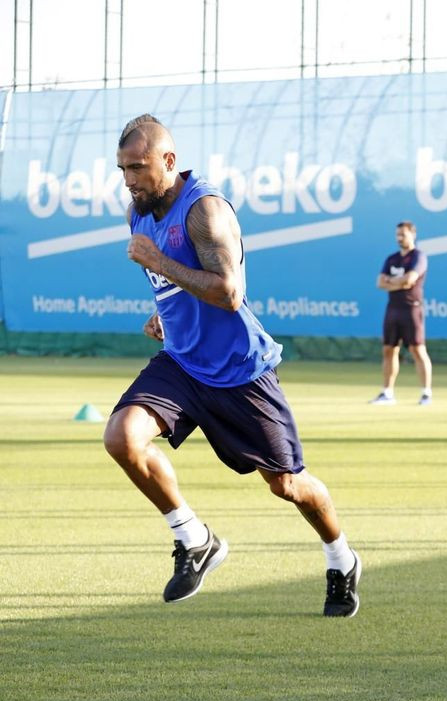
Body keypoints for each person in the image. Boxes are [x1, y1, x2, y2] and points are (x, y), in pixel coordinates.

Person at [103, 114, 362, 617]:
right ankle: (194, 539)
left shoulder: (206, 210)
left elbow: (227, 291)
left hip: (241, 372)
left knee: (288, 485)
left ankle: (341, 557)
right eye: (122, 169)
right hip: (181, 364)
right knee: (121, 437)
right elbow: (182, 283)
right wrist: (164, 311)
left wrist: (158, 262)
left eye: (137, 167)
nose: (129, 180)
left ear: (168, 160)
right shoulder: (139, 210)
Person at [369, 221, 432, 406]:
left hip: (412, 308)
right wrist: (399, 281)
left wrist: (393, 281)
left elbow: (410, 280)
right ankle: (387, 393)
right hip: (393, 309)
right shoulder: (392, 259)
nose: (399, 238)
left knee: (417, 349)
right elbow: (380, 283)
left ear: (413, 235)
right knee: (389, 349)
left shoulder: (418, 257)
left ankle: (426, 393)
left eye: (403, 234)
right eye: (397, 234)